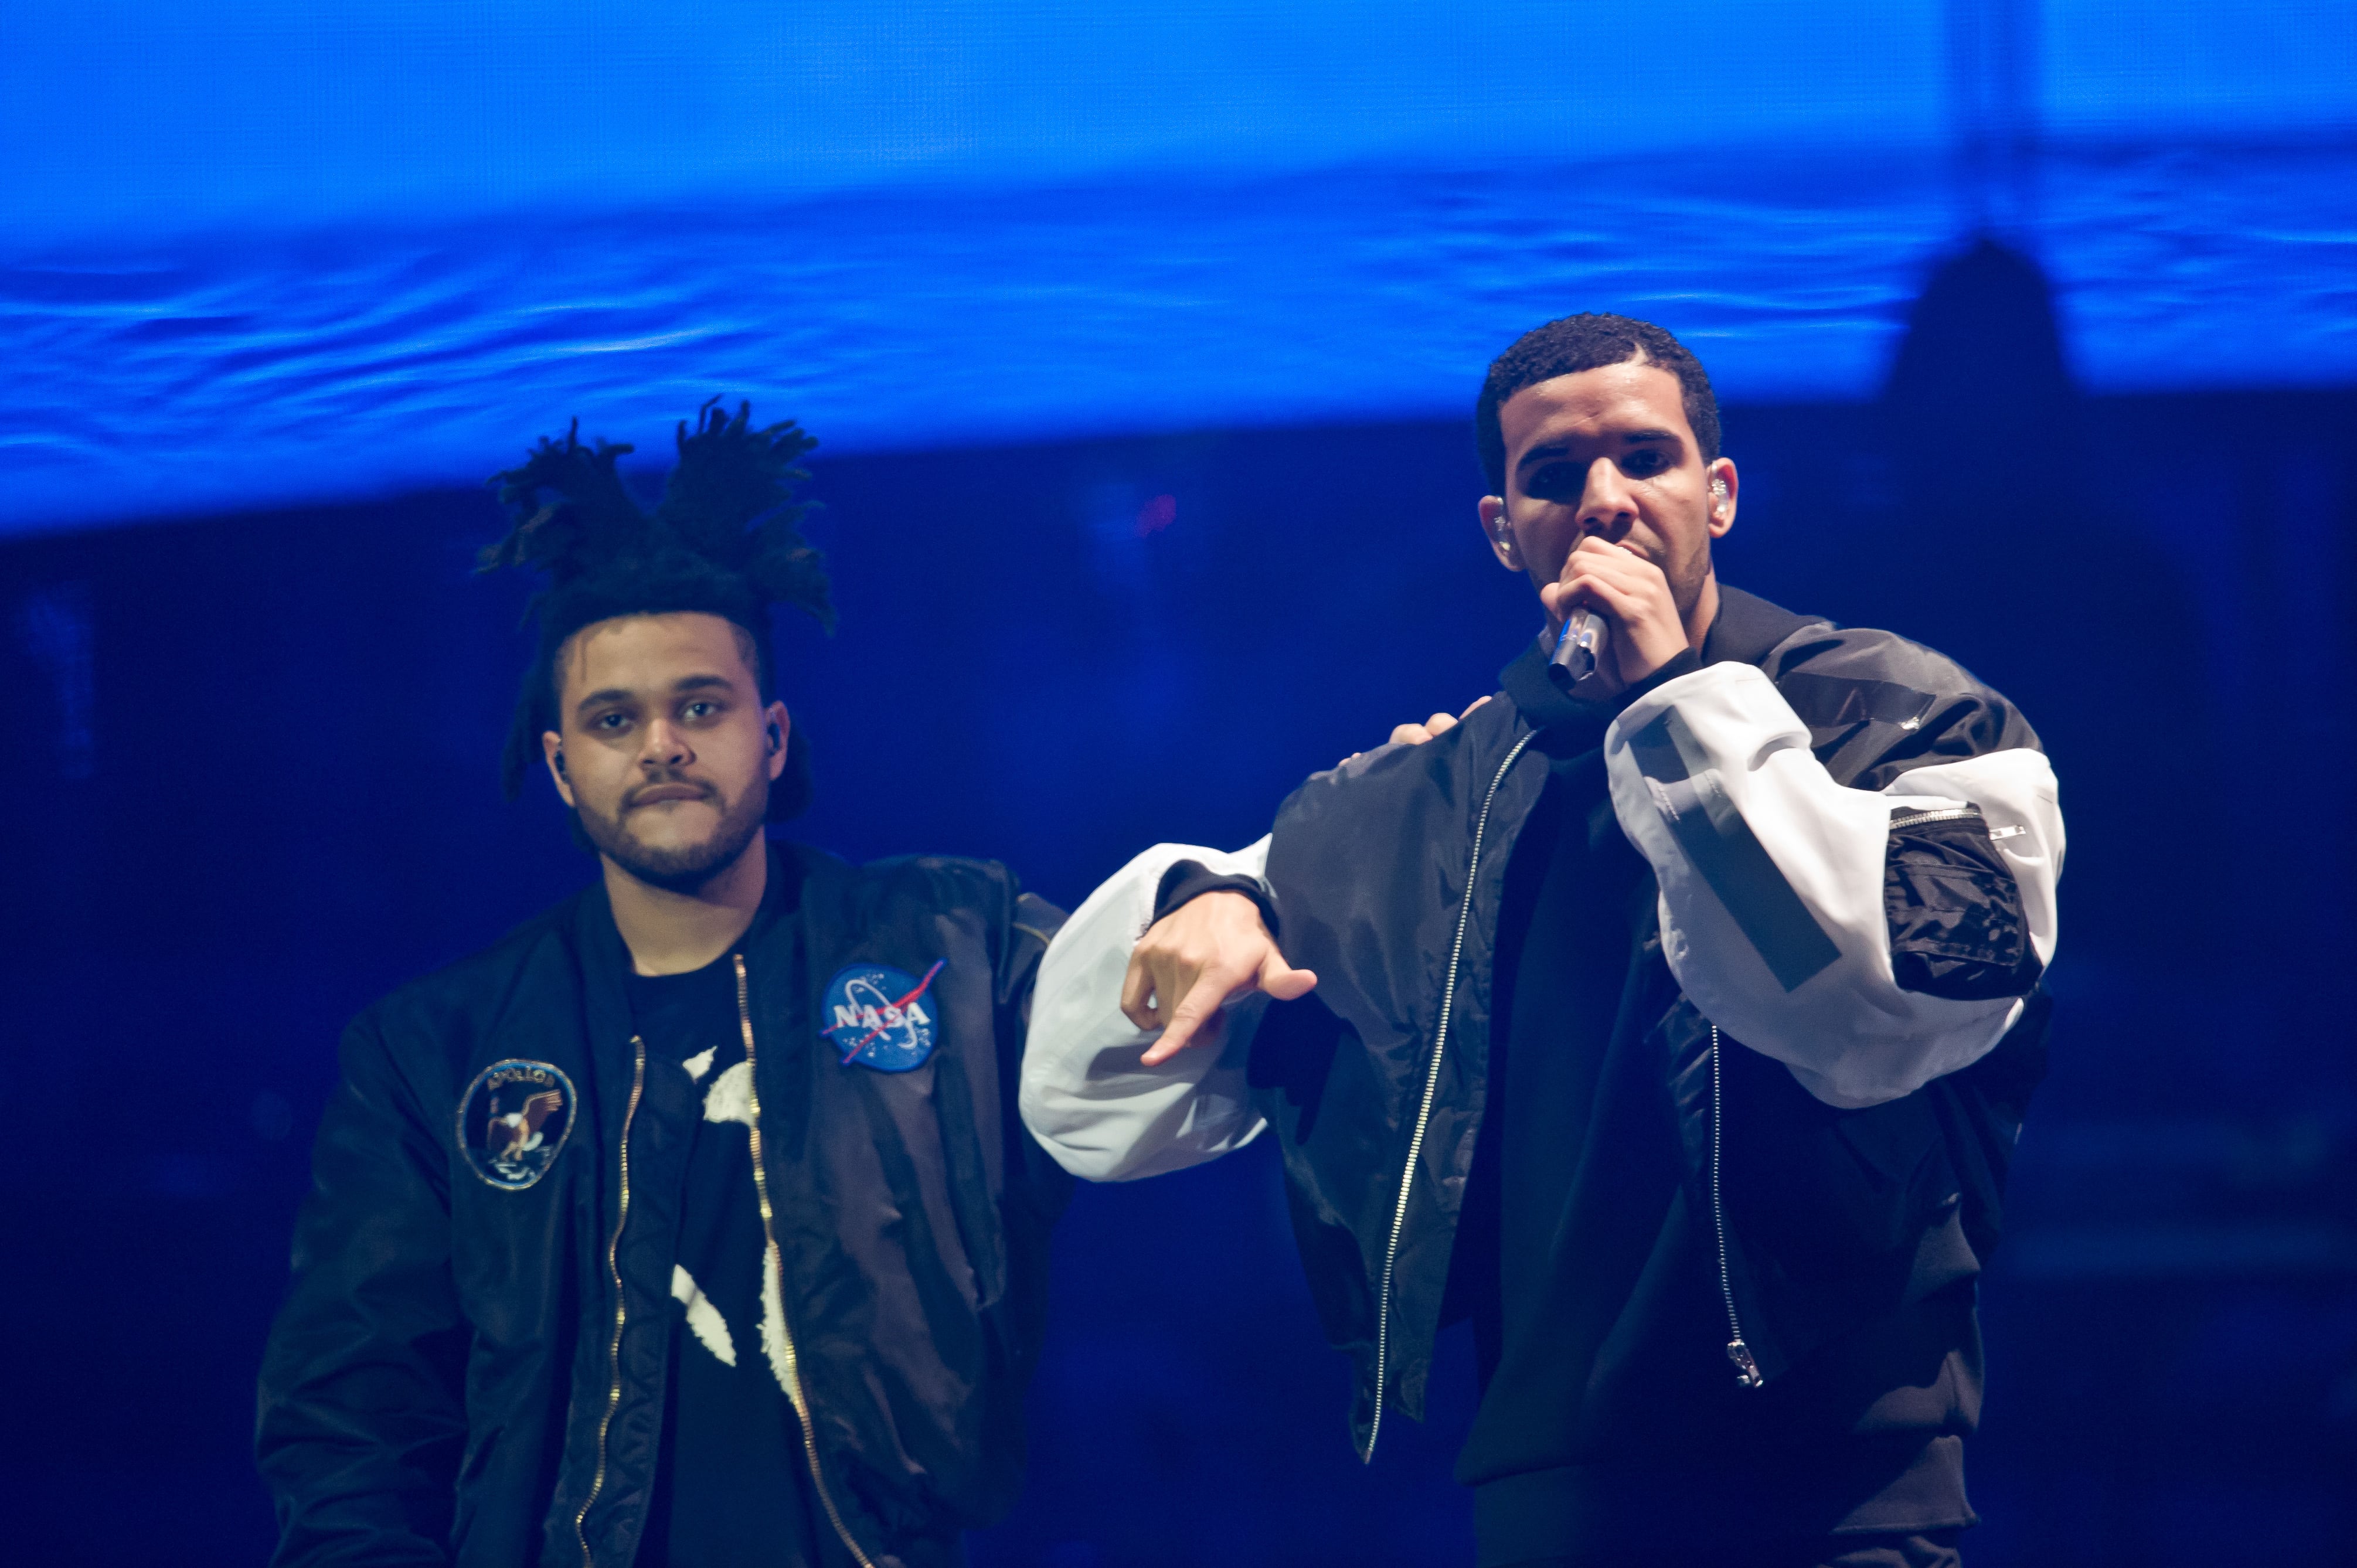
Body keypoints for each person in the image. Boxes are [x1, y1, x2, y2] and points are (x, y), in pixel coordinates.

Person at [1020, 315, 2064, 1567]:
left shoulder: (1900, 716)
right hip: (1550, 1499)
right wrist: (1208, 900)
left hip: (1838, 1487)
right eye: (1554, 476)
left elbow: (1841, 991)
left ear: (1718, 494)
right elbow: (1078, 1102)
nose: (1605, 503)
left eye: (1646, 458)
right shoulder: (1435, 794)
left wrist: (1671, 703)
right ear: (1503, 529)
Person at [256, 404, 1070, 1568]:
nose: (661, 747)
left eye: (700, 706)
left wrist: (1224, 897)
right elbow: (351, 1415)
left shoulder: (944, 938)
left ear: (774, 736)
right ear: (559, 767)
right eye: (612, 719)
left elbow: (1132, 993)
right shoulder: (431, 1050)